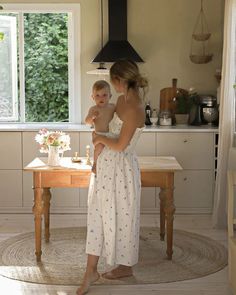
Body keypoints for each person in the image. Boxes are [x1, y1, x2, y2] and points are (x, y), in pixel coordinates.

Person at [76, 60, 148, 295]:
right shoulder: (121, 100)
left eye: (112, 80)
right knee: (98, 215)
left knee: (123, 217)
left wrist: (99, 139)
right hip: (107, 169)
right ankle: (91, 270)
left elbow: (119, 145)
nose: (111, 85)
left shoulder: (134, 108)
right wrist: (95, 123)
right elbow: (108, 125)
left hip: (121, 171)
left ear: (119, 80)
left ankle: (124, 266)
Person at [85, 80, 115, 173]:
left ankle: (112, 167)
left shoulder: (113, 107)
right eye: (97, 95)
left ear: (110, 96)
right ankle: (95, 164)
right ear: (92, 97)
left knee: (113, 151)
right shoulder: (93, 109)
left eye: (104, 95)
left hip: (111, 134)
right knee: (99, 148)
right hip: (99, 134)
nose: (101, 98)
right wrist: (92, 117)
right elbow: (87, 122)